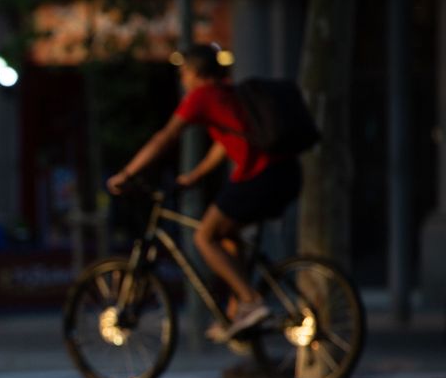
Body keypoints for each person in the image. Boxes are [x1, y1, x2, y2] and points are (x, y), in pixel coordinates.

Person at [107, 43, 302, 340]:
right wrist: (194, 177)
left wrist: (127, 173)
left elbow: (166, 137)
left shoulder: (203, 97)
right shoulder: (229, 93)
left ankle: (250, 301)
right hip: (285, 173)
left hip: (259, 176)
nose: (182, 79)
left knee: (204, 235)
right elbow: (225, 143)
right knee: (227, 236)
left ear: (196, 72)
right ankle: (240, 312)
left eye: (184, 72)